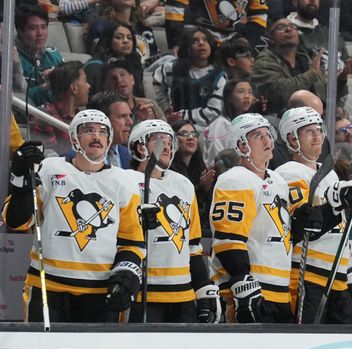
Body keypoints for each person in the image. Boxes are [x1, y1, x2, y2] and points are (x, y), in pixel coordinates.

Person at [3, 110, 144, 322]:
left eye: (102, 131)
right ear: (74, 138)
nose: (96, 136)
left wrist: (127, 273)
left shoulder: (124, 182)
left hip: (99, 291)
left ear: (109, 139)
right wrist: (20, 181)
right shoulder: (48, 169)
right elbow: (17, 222)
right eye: (88, 130)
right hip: (47, 286)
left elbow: (132, 242)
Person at [275, 106, 352, 324]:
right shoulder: (288, 172)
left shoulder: (330, 174)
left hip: (337, 279)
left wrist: (349, 272)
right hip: (308, 277)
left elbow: (339, 231)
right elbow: (305, 227)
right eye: (309, 131)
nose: (317, 136)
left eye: (319, 130)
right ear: (292, 139)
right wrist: (338, 203)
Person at [208, 114, 304, 323]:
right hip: (249, 292)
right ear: (241, 145)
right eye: (258, 136)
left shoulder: (277, 180)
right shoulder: (235, 179)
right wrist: (243, 281)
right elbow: (228, 240)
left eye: (268, 134)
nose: (267, 140)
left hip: (280, 290)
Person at [127, 119, 221, 323]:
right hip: (144, 293)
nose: (167, 145)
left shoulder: (183, 184)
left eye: (169, 140)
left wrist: (203, 288)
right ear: (140, 146)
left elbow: (193, 245)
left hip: (183, 294)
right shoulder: (125, 182)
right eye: (159, 139)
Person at [251, 18, 348, 116]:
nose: (288, 29)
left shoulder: (305, 59)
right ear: (271, 39)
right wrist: (312, 74)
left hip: (314, 118)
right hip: (281, 120)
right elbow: (280, 93)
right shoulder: (264, 62)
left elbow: (325, 95)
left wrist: (341, 80)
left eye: (292, 27)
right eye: (281, 27)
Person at [154, 28, 228, 128]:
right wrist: (165, 109)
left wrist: (181, 115)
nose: (201, 43)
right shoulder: (172, 68)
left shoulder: (219, 75)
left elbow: (214, 111)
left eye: (205, 40)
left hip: (207, 129)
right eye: (195, 41)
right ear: (186, 46)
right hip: (175, 126)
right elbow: (157, 81)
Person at [29, 61, 91, 156]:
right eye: (85, 80)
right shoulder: (44, 119)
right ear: (74, 88)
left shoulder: (84, 117)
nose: (89, 86)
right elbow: (49, 158)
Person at [164, 0, 268, 53]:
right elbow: (174, 8)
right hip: (198, 37)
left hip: (235, 39)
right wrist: (177, 42)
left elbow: (259, 16)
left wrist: (248, 44)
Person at [13, 4, 64, 107]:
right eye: (33, 28)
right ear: (20, 31)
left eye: (44, 27)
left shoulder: (54, 55)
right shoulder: (12, 59)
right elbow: (20, 100)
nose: (40, 33)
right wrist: (48, 86)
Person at [171, 121, 215, 232]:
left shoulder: (200, 168)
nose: (190, 138)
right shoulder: (169, 171)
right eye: (184, 134)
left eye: (194, 134)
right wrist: (201, 188)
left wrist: (207, 189)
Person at [85, 0, 158, 66]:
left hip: (148, 70)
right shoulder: (101, 25)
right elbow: (99, 55)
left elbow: (154, 56)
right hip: (117, 69)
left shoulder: (143, 27)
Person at [83, 22, 144, 98]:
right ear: (108, 40)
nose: (126, 41)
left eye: (129, 38)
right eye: (119, 37)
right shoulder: (95, 66)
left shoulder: (135, 64)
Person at [203, 79, 255, 167]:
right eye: (241, 92)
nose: (247, 96)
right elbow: (217, 159)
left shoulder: (249, 123)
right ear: (229, 97)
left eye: (250, 92)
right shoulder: (220, 124)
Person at [102, 58, 165, 122]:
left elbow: (165, 128)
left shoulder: (149, 104)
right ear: (105, 86)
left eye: (122, 75)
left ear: (132, 79)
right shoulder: (106, 113)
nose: (119, 80)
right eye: (113, 78)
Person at [87, 91, 134, 168]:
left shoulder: (132, 157)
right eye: (122, 116)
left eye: (129, 116)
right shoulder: (75, 159)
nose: (130, 122)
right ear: (101, 120)